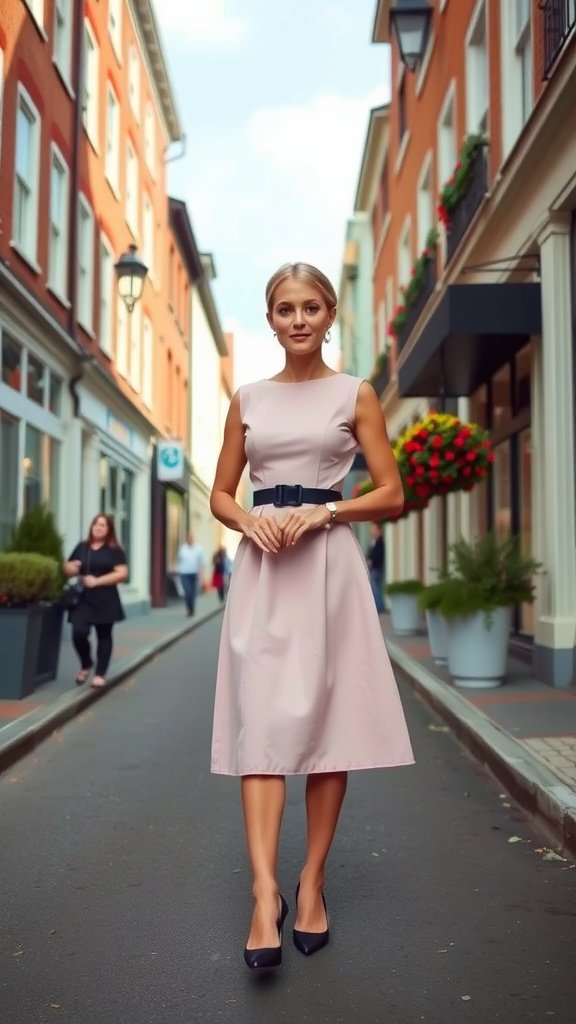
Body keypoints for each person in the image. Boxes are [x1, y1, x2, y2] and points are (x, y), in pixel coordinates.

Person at [209, 262, 414, 971]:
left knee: (329, 727)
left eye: (311, 308)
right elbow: (221, 493)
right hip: (265, 571)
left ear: (329, 317)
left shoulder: (356, 393)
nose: (298, 320)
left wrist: (327, 512)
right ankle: (264, 893)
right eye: (285, 309)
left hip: (328, 568)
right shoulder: (248, 398)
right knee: (261, 727)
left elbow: (391, 493)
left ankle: (313, 880)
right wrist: (249, 521)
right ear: (270, 319)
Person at [63, 514, 128, 689]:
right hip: (83, 598)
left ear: (109, 530)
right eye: (96, 524)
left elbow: (122, 573)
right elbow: (67, 567)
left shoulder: (114, 550)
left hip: (106, 598)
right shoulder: (82, 547)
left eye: (103, 525)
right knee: (78, 632)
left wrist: (97, 581)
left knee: (104, 636)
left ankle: (100, 674)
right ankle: (86, 663)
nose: (98, 528)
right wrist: (70, 568)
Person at [176, 532, 205, 616]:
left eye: (192, 538)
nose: (190, 539)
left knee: (193, 593)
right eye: (189, 538)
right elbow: (179, 560)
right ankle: (189, 609)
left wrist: (202, 577)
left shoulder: (198, 549)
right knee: (187, 592)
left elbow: (202, 563)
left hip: (194, 574)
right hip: (184, 574)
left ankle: (192, 609)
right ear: (187, 539)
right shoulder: (182, 549)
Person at [366, 521, 386, 613]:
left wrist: (371, 560)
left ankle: (379, 607)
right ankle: (378, 606)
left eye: (374, 530)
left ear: (379, 530)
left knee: (376, 588)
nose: (372, 532)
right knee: (375, 588)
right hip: (374, 568)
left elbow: (377, 555)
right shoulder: (374, 542)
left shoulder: (380, 542)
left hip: (376, 568)